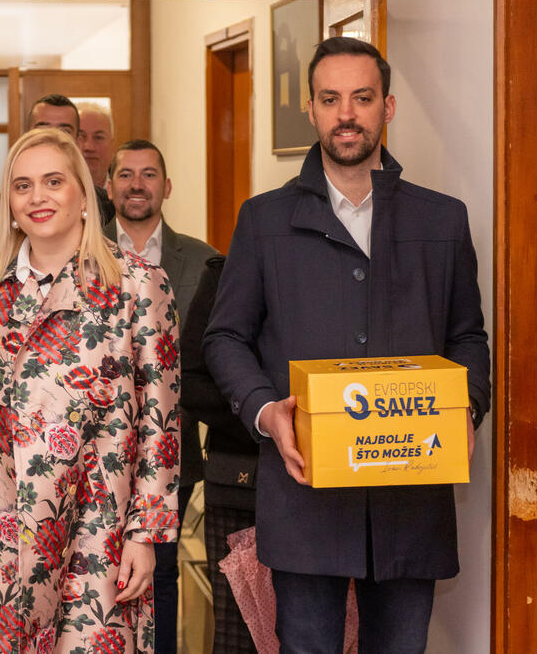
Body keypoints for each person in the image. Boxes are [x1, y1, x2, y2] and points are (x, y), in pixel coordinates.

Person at [202, 37, 490, 653]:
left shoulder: (441, 220)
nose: (347, 114)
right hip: (305, 497)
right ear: (310, 109)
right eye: (330, 99)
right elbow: (225, 337)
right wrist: (265, 410)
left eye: (362, 97)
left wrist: (464, 406)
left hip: (410, 499)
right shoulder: (264, 220)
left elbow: (467, 335)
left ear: (389, 106)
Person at [0, 128, 182, 653]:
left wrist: (145, 533)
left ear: (83, 195)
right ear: (9, 204)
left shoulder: (138, 284)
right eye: (23, 185)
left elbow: (161, 421)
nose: (38, 197)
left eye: (53, 182)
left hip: (94, 524)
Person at [104, 139, 218, 654]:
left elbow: (213, 355)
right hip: (90, 451)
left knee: (162, 571)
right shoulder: (79, 253)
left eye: (148, 174)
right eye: (126, 174)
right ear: (108, 186)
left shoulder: (203, 260)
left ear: (167, 187)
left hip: (172, 449)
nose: (137, 184)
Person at [180, 255, 258, 654]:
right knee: (237, 634)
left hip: (329, 489)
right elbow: (190, 382)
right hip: (241, 485)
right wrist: (263, 420)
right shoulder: (224, 273)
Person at [28, 93, 115, 224]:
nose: (53, 138)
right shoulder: (3, 205)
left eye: (64, 132)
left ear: (77, 140)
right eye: (43, 129)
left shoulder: (108, 206)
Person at [76, 101, 115, 188]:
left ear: (112, 145)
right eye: (81, 137)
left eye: (98, 137)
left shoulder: (125, 192)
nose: (89, 147)